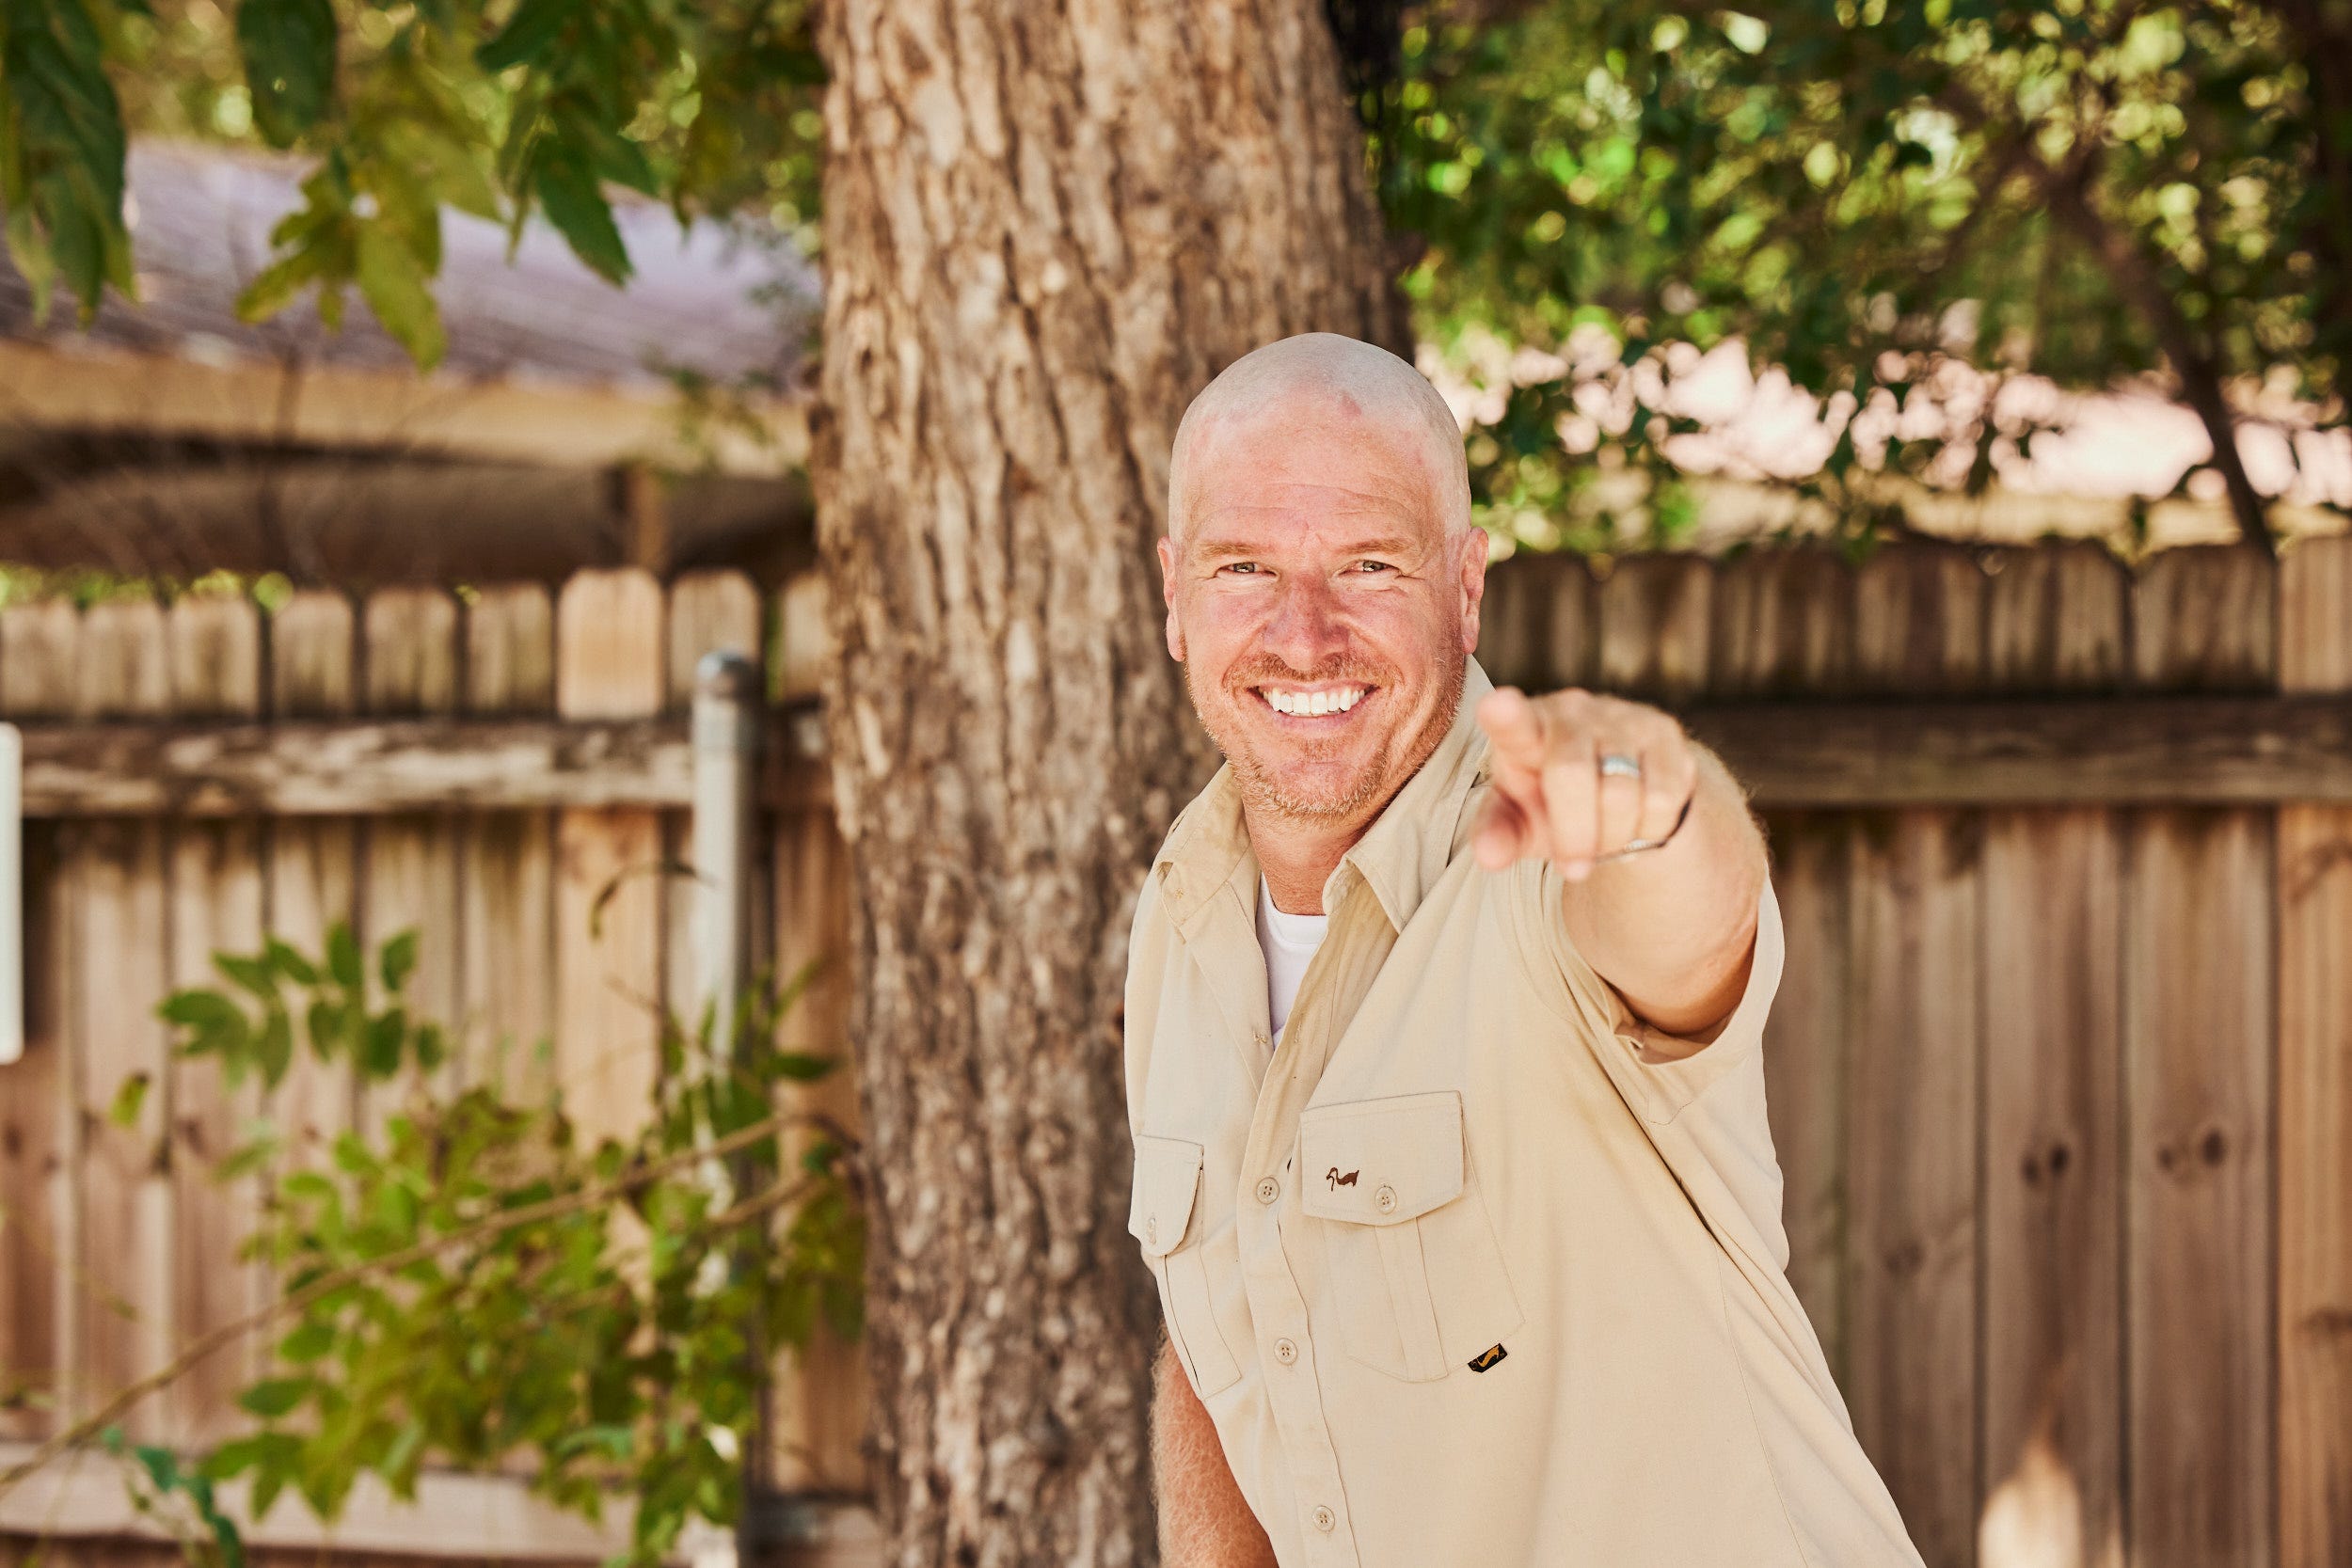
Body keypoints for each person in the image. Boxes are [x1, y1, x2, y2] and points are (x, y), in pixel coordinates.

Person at [1123, 333, 1924, 1567]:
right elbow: (1227, 1319)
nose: (1304, 634)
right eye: (1246, 569)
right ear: (1175, 596)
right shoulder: (1181, 920)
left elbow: (1683, 916)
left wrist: (1654, 807)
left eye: (1368, 566)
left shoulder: (1545, 863)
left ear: (1465, 586)